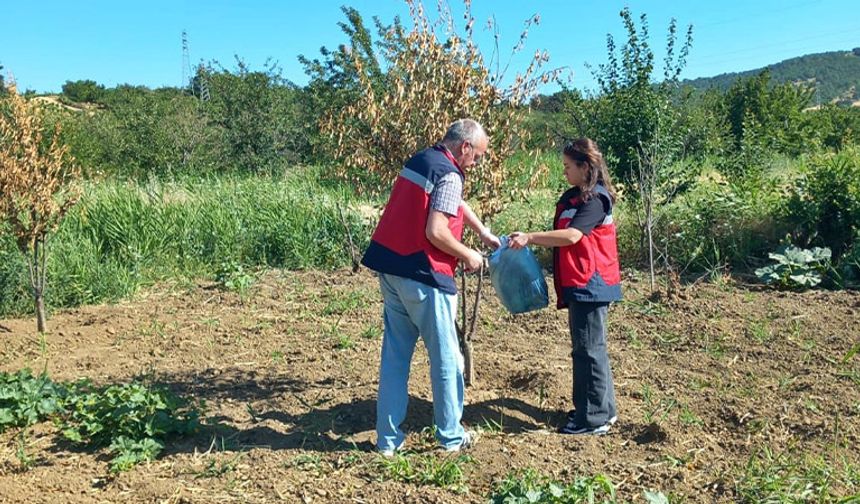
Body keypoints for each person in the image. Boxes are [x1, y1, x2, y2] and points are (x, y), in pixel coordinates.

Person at [361, 119, 501, 455]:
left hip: (391, 269)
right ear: (464, 147)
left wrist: (480, 230)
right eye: (477, 156)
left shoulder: (423, 160)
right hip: (424, 275)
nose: (477, 164)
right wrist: (469, 254)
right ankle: (451, 437)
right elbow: (436, 231)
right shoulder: (451, 174)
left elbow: (452, 199)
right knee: (447, 360)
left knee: (395, 359)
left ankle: (387, 442)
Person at [509, 137, 622, 435]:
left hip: (591, 283)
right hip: (580, 281)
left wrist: (530, 237)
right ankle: (602, 409)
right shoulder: (575, 197)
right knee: (591, 348)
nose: (565, 172)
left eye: (569, 166)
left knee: (587, 350)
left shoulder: (595, 199)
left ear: (586, 167)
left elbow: (572, 237)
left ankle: (592, 419)